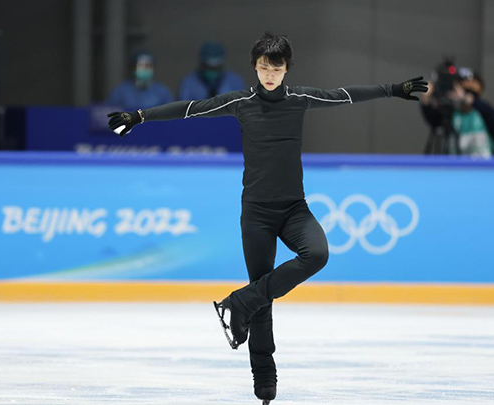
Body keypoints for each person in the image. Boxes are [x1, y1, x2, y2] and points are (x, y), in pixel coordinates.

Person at [107, 32, 427, 404]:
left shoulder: (300, 99)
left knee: (317, 255)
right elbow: (191, 108)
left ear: (287, 68)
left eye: (276, 68)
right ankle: (263, 374)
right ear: (255, 68)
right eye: (263, 68)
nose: (269, 75)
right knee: (263, 293)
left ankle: (240, 302)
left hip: (293, 209)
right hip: (256, 213)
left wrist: (392, 89)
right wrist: (139, 116)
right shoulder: (240, 102)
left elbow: (345, 95)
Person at [420, 66, 494, 156]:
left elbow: (490, 114)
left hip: (484, 163)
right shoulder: (452, 115)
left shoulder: (484, 113)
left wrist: (466, 98)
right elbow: (434, 121)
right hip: (457, 164)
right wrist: (426, 99)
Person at [107, 50, 174, 111]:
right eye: (141, 65)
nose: (145, 69)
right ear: (134, 68)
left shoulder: (162, 92)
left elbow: (171, 114)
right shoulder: (120, 92)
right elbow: (110, 112)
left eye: (148, 66)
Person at [178, 41, 245, 100]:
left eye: (216, 67)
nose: (212, 70)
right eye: (208, 67)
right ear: (201, 64)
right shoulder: (189, 84)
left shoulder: (235, 82)